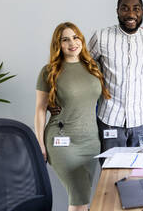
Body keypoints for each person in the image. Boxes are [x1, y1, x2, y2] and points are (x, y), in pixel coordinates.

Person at [34, 22, 110, 211]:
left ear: (82, 40)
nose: (72, 43)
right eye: (65, 39)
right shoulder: (49, 71)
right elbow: (40, 109)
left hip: (91, 142)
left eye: (75, 37)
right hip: (63, 143)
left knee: (82, 197)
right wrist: (40, 144)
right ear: (57, 44)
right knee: (79, 198)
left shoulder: (94, 67)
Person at [88, 0, 143, 152]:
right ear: (117, 11)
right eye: (125, 8)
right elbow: (84, 66)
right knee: (111, 171)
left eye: (136, 8)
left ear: (142, 11)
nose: (131, 13)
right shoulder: (101, 37)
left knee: (141, 172)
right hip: (110, 118)